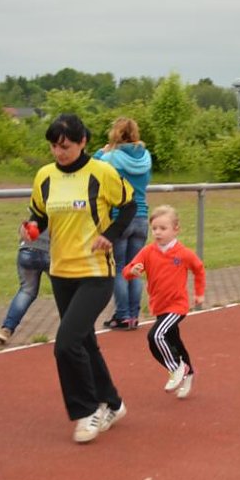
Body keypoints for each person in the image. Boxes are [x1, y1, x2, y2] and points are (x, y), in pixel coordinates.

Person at [26, 113, 135, 444]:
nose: (59, 152)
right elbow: (39, 215)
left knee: (66, 344)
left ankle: (87, 411)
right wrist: (30, 227)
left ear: (83, 141)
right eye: (54, 147)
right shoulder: (44, 176)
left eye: (66, 146)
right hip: (61, 272)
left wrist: (110, 234)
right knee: (84, 341)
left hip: (95, 272)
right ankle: (113, 403)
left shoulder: (102, 172)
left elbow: (128, 206)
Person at [122, 205, 206, 399]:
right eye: (154, 228)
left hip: (177, 306)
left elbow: (199, 269)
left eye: (163, 228)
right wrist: (132, 271)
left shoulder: (183, 253)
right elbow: (127, 270)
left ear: (176, 229)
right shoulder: (147, 251)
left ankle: (177, 368)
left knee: (156, 336)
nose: (158, 232)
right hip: (159, 306)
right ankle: (187, 371)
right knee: (171, 342)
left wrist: (199, 293)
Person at [94, 117, 153, 331]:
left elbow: (92, 167)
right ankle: (134, 316)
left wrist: (102, 152)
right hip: (141, 216)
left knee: (119, 269)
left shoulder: (110, 157)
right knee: (134, 269)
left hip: (120, 217)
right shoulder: (146, 157)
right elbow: (147, 180)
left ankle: (122, 315)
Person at [0, 229, 51, 344]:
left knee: (26, 291)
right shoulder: (66, 211)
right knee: (65, 291)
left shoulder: (37, 211)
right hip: (50, 251)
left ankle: (6, 329)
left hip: (27, 250)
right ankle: (74, 328)